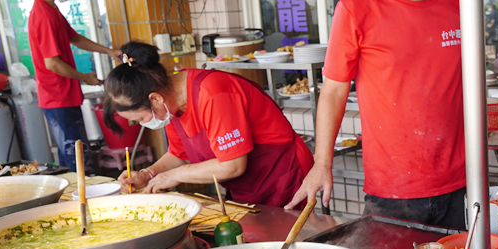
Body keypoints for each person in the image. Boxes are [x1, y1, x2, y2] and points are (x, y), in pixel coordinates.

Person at [284, 0, 467, 229]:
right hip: (392, 190)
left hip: (460, 185)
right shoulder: (356, 8)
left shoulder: (461, 6)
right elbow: (333, 90)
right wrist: (322, 163)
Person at [103, 42, 313, 207]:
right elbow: (179, 155)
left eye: (140, 118)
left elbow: (232, 165)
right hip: (248, 186)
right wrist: (149, 174)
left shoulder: (213, 93)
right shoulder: (169, 103)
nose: (142, 124)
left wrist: (173, 176)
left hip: (282, 176)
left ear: (155, 99)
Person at [28, 0, 119, 172]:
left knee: (77, 155)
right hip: (57, 97)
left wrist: (109, 51)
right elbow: (52, 63)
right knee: (76, 159)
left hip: (65, 95)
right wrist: (85, 77)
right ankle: (78, 198)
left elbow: (74, 37)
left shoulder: (51, 8)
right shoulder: (44, 15)